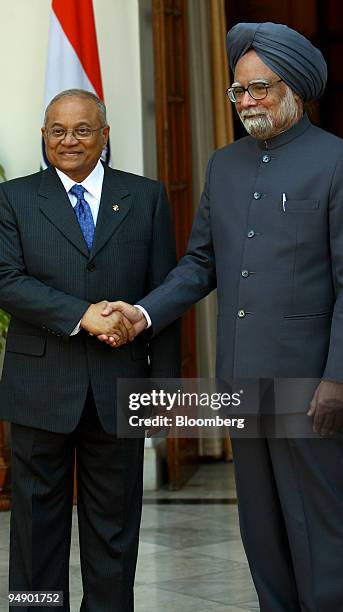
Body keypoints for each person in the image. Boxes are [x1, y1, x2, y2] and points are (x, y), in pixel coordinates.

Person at [98, 23, 343, 612]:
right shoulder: (224, 166)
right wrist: (143, 313)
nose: (247, 102)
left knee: (319, 529)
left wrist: (341, 380)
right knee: (262, 529)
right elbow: (199, 265)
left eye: (259, 90)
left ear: (293, 88)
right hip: (241, 381)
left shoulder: (340, 162)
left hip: (311, 385)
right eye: (237, 92)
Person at [0, 88, 180, 611]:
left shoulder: (146, 197)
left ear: (104, 135)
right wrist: (80, 314)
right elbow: (6, 279)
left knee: (114, 533)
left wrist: (163, 395)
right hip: (39, 390)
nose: (69, 141)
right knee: (35, 532)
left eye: (82, 130)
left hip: (119, 390)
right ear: (43, 137)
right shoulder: (14, 198)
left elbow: (164, 296)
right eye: (57, 131)